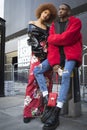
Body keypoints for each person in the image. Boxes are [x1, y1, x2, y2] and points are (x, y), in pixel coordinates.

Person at [33, 3, 82, 130]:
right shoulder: (54, 25)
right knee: (37, 70)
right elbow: (52, 44)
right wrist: (54, 63)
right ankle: (46, 97)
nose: (60, 11)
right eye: (59, 9)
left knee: (65, 74)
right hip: (57, 57)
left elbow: (69, 38)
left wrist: (54, 38)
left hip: (70, 56)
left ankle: (57, 111)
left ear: (69, 12)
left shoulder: (76, 22)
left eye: (63, 9)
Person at [23, 3, 57, 123]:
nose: (46, 15)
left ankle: (42, 111)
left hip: (48, 58)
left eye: (49, 14)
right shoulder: (31, 23)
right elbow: (32, 41)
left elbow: (51, 43)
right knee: (32, 82)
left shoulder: (48, 29)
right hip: (36, 57)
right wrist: (40, 55)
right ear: (41, 11)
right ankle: (28, 113)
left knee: (47, 83)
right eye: (45, 12)